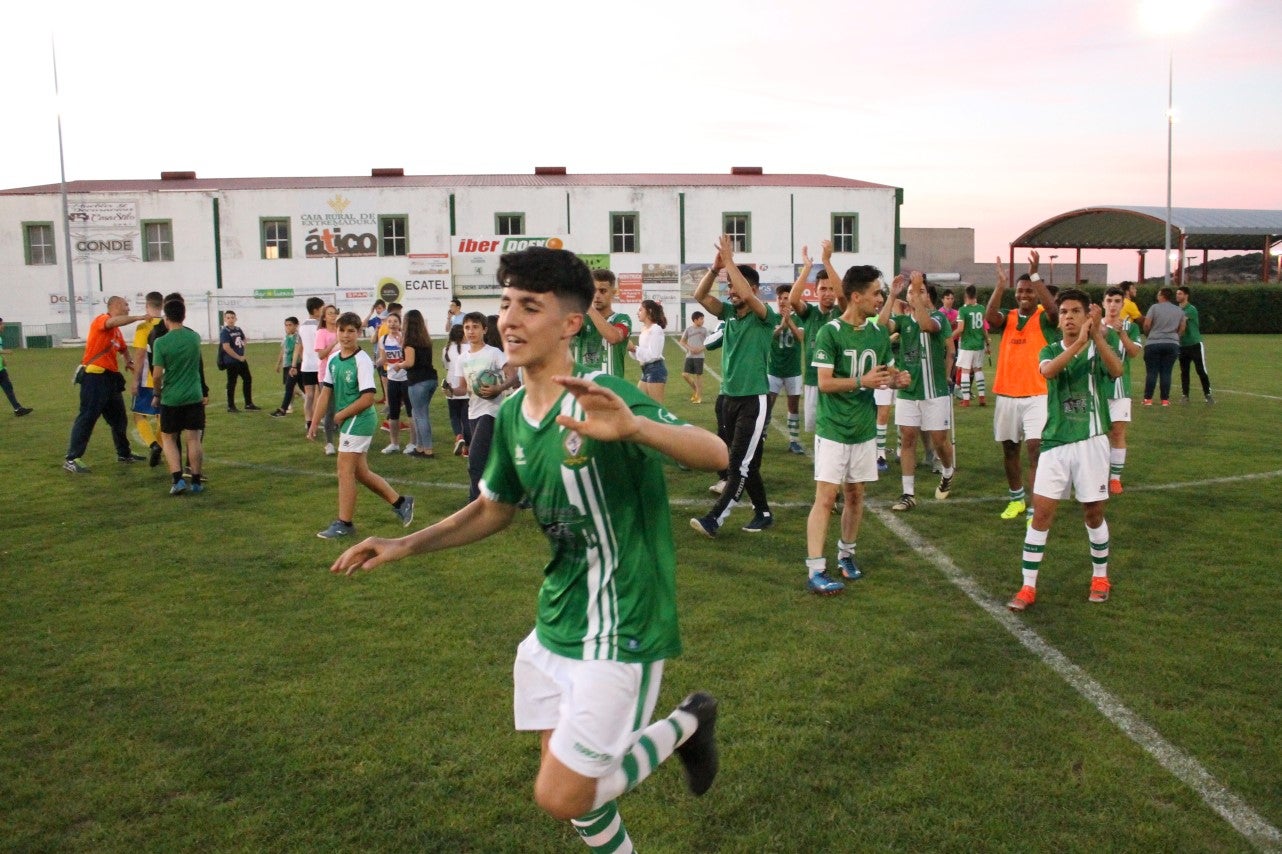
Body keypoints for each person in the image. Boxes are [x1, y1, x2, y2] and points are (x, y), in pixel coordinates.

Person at [329, 246, 726, 852]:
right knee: (576, 803)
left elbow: (716, 453)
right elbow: (494, 508)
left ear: (570, 323)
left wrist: (637, 428)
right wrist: (404, 543)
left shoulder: (603, 396)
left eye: (529, 306)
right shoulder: (513, 413)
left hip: (624, 625)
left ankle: (687, 722)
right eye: (506, 303)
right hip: (554, 624)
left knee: (562, 794)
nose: (508, 320)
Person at [1007, 288, 1123, 613]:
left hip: (1091, 442)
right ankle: (1028, 586)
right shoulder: (1049, 349)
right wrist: (1080, 345)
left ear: (1088, 316)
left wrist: (1097, 337)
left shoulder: (1100, 347)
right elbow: (1048, 371)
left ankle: (1100, 577)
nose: (1069, 317)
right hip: (1056, 444)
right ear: (1058, 320)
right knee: (1041, 514)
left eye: (1075, 311)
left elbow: (1117, 371)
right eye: (1064, 312)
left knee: (1093, 512)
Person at [806, 263, 910, 595]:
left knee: (856, 495)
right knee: (825, 498)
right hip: (834, 429)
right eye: (876, 293)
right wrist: (861, 382)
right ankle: (816, 569)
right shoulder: (830, 332)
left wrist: (898, 378)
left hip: (864, 431)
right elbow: (824, 383)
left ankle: (846, 555)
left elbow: (888, 372)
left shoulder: (878, 333)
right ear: (856, 296)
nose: (881, 299)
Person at [690, 235, 777, 537]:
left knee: (737, 465)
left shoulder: (765, 316)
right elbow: (699, 295)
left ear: (753, 290)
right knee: (745, 464)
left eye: (735, 287)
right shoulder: (728, 314)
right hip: (728, 397)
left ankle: (715, 519)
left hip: (754, 399)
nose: (731, 292)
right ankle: (763, 512)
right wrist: (715, 270)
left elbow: (750, 299)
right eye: (729, 288)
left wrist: (729, 262)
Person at [308, 312, 415, 539]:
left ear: (358, 333)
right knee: (361, 472)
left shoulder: (362, 360)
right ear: (336, 332)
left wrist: (340, 415)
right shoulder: (335, 360)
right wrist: (314, 423)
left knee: (344, 471)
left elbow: (368, 398)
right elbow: (325, 393)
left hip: (361, 419)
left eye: (351, 331)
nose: (346, 335)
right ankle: (401, 502)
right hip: (350, 419)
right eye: (342, 330)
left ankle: (344, 523)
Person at [985, 252, 1059, 521]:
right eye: (1020, 290)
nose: (1024, 294)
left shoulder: (1043, 317)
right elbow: (990, 316)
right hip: (1006, 394)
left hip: (1037, 395)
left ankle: (1034, 507)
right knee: (1010, 449)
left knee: (1035, 450)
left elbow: (1053, 311)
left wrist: (1035, 274)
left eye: (1029, 290)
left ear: (1037, 293)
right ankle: (1016, 499)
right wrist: (1000, 285)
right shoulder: (1009, 316)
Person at [877, 272, 956, 511]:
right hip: (908, 392)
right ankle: (908, 493)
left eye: (920, 290)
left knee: (939, 441)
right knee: (908, 438)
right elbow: (880, 326)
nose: (915, 294)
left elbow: (926, 325)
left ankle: (948, 471)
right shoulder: (902, 322)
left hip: (935, 392)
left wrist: (919, 295)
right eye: (911, 291)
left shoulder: (939, 318)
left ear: (928, 297)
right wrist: (891, 295)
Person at [63, 295, 156, 473]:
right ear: (115, 306)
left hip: (110, 380)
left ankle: (124, 453)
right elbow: (114, 322)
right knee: (87, 417)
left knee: (119, 419)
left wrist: (128, 360)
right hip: (94, 378)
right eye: (126, 305)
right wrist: (138, 317)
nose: (128, 308)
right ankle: (72, 458)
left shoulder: (116, 333)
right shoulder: (102, 320)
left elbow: (122, 347)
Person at [457, 312, 519, 501]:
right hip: (473, 412)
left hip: (491, 411)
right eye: (467, 327)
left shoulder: (494, 353)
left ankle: (475, 503)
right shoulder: (463, 358)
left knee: (475, 460)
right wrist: (450, 390)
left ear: (484, 329)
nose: (471, 331)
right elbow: (462, 389)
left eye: (475, 327)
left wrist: (498, 388)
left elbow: (514, 378)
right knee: (495, 459)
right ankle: (516, 494)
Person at [151, 298, 208, 496]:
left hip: (172, 398)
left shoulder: (161, 342)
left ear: (166, 318)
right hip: (194, 395)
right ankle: (197, 481)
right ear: (184, 316)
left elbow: (157, 374)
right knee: (193, 438)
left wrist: (157, 394)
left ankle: (177, 480)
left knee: (168, 438)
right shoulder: (194, 338)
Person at [789, 245, 842, 436]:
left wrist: (827, 262)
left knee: (835, 427)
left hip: (838, 380)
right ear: (816, 291)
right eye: (823, 289)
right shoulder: (810, 313)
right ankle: (822, 464)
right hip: (812, 380)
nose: (828, 293)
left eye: (831, 289)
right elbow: (794, 299)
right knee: (817, 429)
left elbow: (843, 294)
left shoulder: (842, 312)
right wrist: (806, 268)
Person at [1101, 287, 1142, 494]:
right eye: (1109, 300)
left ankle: (1115, 479)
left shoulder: (1130, 327)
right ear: (1103, 303)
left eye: (1118, 301)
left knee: (1117, 433)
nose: (1113, 305)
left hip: (1119, 390)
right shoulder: (1094, 326)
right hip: (1096, 389)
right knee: (1095, 435)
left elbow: (1134, 352)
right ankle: (1096, 474)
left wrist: (1121, 333)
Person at [768, 283, 805, 454]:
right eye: (780, 298)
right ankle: (762, 435)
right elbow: (769, 337)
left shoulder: (799, 318)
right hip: (773, 369)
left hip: (793, 370)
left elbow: (800, 337)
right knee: (768, 404)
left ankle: (794, 440)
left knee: (793, 406)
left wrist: (788, 321)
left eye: (786, 298)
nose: (782, 301)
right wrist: (782, 325)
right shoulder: (771, 318)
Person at [572, 269, 631, 377]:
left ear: (613, 293)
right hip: (583, 389)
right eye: (593, 291)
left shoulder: (622, 319)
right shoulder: (581, 318)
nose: (597, 295)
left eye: (602, 291)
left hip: (611, 389)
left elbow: (613, 337)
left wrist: (588, 307)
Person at [128, 292, 165, 466]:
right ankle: (161, 444)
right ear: (162, 305)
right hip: (165, 379)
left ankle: (153, 445)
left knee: (138, 415)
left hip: (147, 380)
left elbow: (141, 354)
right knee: (162, 416)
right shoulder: (168, 325)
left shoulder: (144, 327)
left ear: (146, 306)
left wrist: (135, 380)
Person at [401, 309, 439, 458]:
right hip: (431, 379)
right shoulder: (426, 341)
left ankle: (427, 449)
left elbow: (410, 363)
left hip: (417, 381)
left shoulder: (410, 343)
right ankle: (420, 447)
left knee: (421, 415)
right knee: (419, 413)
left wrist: (399, 365)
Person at [1140, 287, 1186, 407]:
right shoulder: (1179, 310)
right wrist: (1176, 337)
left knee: (1152, 372)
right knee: (1166, 372)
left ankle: (1148, 399)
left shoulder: (1154, 308)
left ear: (1162, 296)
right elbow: (1182, 327)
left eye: (1158, 294)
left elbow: (1146, 324)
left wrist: (1149, 334)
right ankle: (1165, 400)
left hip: (1154, 342)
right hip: (1172, 343)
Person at [375, 312, 413, 454]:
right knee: (393, 412)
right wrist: (373, 364)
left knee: (411, 412)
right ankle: (394, 443)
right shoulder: (383, 339)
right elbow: (383, 359)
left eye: (395, 321)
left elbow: (408, 357)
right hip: (392, 380)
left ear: (400, 323)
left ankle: (413, 443)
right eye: (389, 321)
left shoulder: (405, 338)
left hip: (406, 379)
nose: (392, 324)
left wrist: (401, 341)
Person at [1175, 286, 1213, 404]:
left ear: (1186, 295)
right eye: (1177, 294)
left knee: (1201, 370)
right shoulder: (1176, 309)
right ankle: (1185, 395)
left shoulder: (1191, 309)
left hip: (1195, 344)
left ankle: (1208, 394)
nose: (1177, 296)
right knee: (1184, 371)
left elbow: (1182, 322)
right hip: (1182, 345)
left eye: (1180, 294)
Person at [293, 297, 325, 436]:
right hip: (320, 365)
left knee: (309, 395)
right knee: (324, 394)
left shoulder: (302, 327)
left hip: (307, 366)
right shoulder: (320, 326)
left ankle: (309, 422)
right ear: (316, 310)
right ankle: (324, 419)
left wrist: (295, 364)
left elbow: (299, 347)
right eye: (322, 309)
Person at [954, 284, 989, 407]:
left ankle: (966, 400)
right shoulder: (981, 309)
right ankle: (982, 398)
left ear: (966, 295)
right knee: (978, 370)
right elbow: (984, 328)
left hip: (967, 345)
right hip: (979, 344)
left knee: (965, 371)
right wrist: (987, 342)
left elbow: (960, 328)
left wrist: (949, 336)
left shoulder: (963, 310)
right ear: (976, 295)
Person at [218, 310, 259, 412]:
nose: (230, 320)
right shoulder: (225, 331)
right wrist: (238, 356)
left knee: (247, 379)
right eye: (228, 318)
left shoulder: (238, 329)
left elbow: (244, 339)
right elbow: (226, 347)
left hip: (240, 359)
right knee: (232, 382)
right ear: (225, 319)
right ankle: (231, 406)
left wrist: (242, 347)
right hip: (231, 361)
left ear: (236, 318)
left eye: (232, 317)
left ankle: (248, 403)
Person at [629, 299, 669, 403]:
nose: (637, 313)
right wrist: (632, 350)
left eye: (640, 310)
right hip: (646, 370)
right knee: (637, 401)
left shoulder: (656, 329)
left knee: (657, 407)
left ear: (649, 311)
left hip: (656, 370)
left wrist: (634, 348)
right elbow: (642, 354)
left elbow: (654, 354)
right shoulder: (644, 329)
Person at [314, 304, 341, 454]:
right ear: (324, 317)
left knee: (343, 408)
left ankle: (346, 439)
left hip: (342, 375)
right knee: (330, 410)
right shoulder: (321, 333)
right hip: (326, 375)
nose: (332, 316)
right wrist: (334, 342)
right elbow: (321, 355)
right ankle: (329, 443)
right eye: (329, 313)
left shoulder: (340, 330)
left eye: (334, 313)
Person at [441, 323, 469, 456]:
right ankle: (467, 446)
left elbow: (446, 366)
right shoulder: (469, 348)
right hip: (466, 386)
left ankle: (459, 436)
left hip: (451, 384)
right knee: (466, 417)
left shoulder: (446, 349)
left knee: (454, 415)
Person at [0, 317, 33, 417]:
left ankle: (17, 409)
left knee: (8, 388)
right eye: (1, 324)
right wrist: (7, 352)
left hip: (1, 369)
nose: (3, 326)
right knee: (8, 388)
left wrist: (3, 361)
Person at [678, 310, 709, 403]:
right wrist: (690, 348)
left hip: (699, 356)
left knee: (698, 376)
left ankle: (698, 397)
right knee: (685, 374)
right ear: (695, 320)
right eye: (701, 319)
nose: (703, 321)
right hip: (689, 356)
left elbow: (709, 342)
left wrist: (701, 348)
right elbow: (682, 341)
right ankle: (696, 390)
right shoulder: (688, 329)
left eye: (703, 319)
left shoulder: (704, 330)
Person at [271, 316, 300, 417]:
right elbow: (283, 350)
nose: (287, 327)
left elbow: (299, 351)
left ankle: (284, 409)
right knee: (291, 387)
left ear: (296, 325)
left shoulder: (298, 337)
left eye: (290, 325)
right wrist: (278, 363)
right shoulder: (286, 337)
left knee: (289, 387)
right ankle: (288, 407)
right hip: (287, 365)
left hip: (295, 365)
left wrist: (295, 365)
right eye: (286, 325)